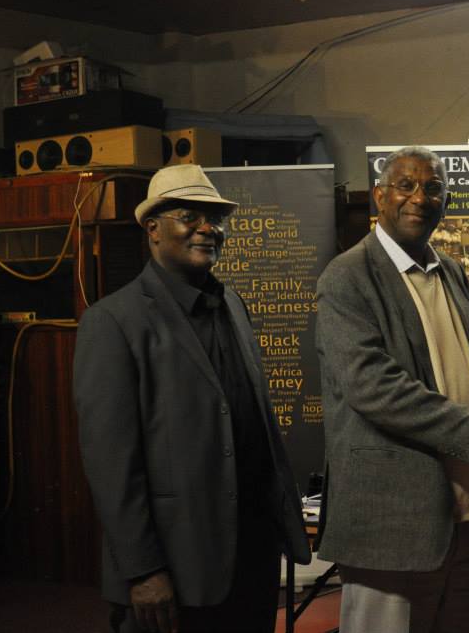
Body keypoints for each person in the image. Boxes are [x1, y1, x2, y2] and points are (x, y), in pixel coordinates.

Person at [74, 164, 311, 633]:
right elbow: (111, 464)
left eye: (215, 218)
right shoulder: (112, 322)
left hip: (252, 555)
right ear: (153, 229)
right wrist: (143, 570)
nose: (208, 228)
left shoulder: (233, 305)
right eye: (189, 216)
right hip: (175, 568)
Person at [314, 146, 469, 633]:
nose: (419, 198)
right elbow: (374, 388)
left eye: (433, 188)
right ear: (379, 197)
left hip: (468, 511)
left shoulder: (450, 270)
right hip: (393, 522)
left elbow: (455, 365)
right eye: (406, 186)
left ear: (446, 200)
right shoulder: (347, 277)